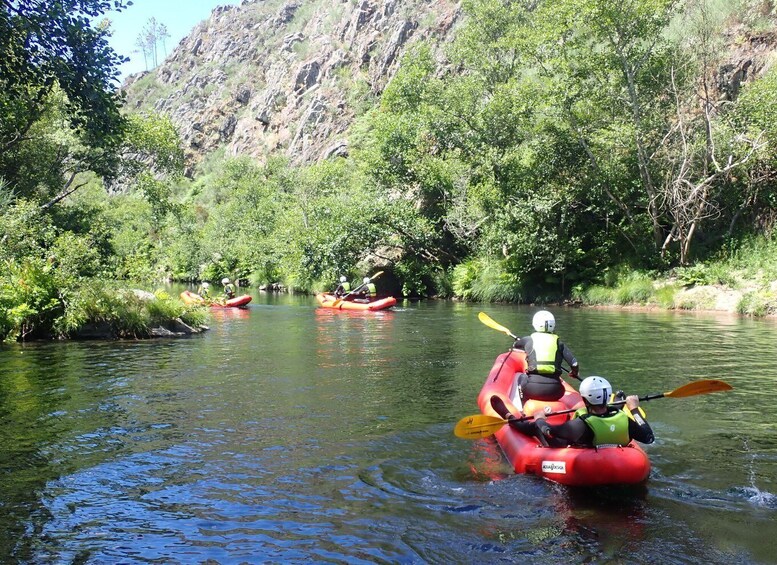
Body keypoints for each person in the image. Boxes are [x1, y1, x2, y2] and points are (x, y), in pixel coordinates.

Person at [492, 376, 655, 448]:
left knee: (535, 427)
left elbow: (549, 432)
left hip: (584, 452)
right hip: (614, 451)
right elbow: (648, 437)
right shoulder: (624, 420)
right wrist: (633, 409)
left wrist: (540, 419)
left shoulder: (580, 425)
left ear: (584, 399)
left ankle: (509, 416)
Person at [512, 310, 579, 402]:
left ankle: (524, 405)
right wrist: (574, 373)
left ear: (535, 323)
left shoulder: (528, 339)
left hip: (532, 389)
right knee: (559, 385)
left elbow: (515, 345)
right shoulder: (559, 343)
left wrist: (520, 340)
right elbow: (574, 363)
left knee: (521, 378)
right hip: (556, 391)